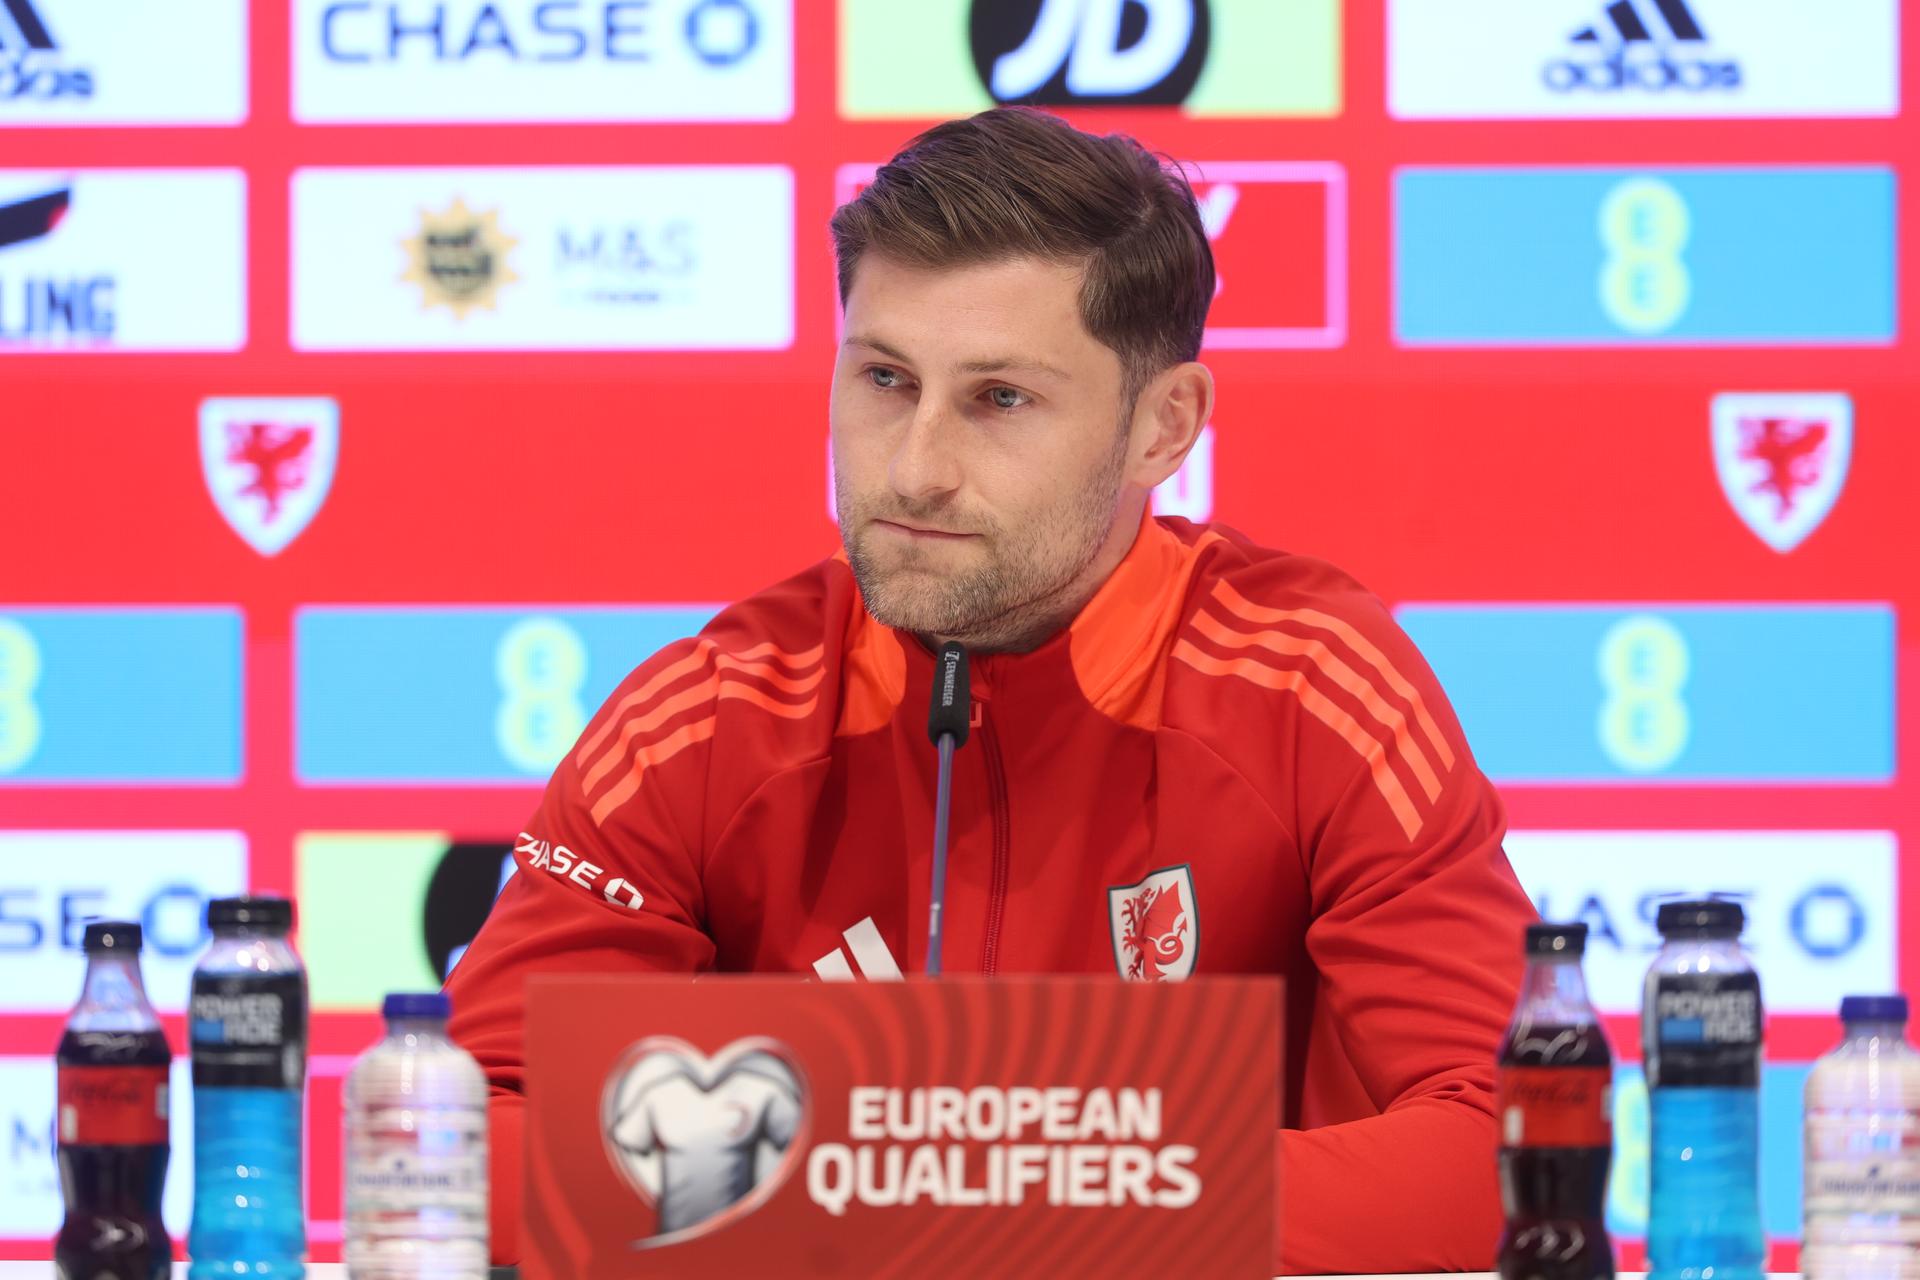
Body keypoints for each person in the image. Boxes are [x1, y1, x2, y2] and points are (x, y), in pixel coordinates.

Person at [446, 107, 1536, 1272]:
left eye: (1000, 398)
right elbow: (452, 1140)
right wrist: (906, 1182)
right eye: (885, 378)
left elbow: (1515, 1146)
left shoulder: (1316, 685)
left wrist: (1026, 1193)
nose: (914, 467)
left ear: (1164, 426)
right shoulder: (710, 719)